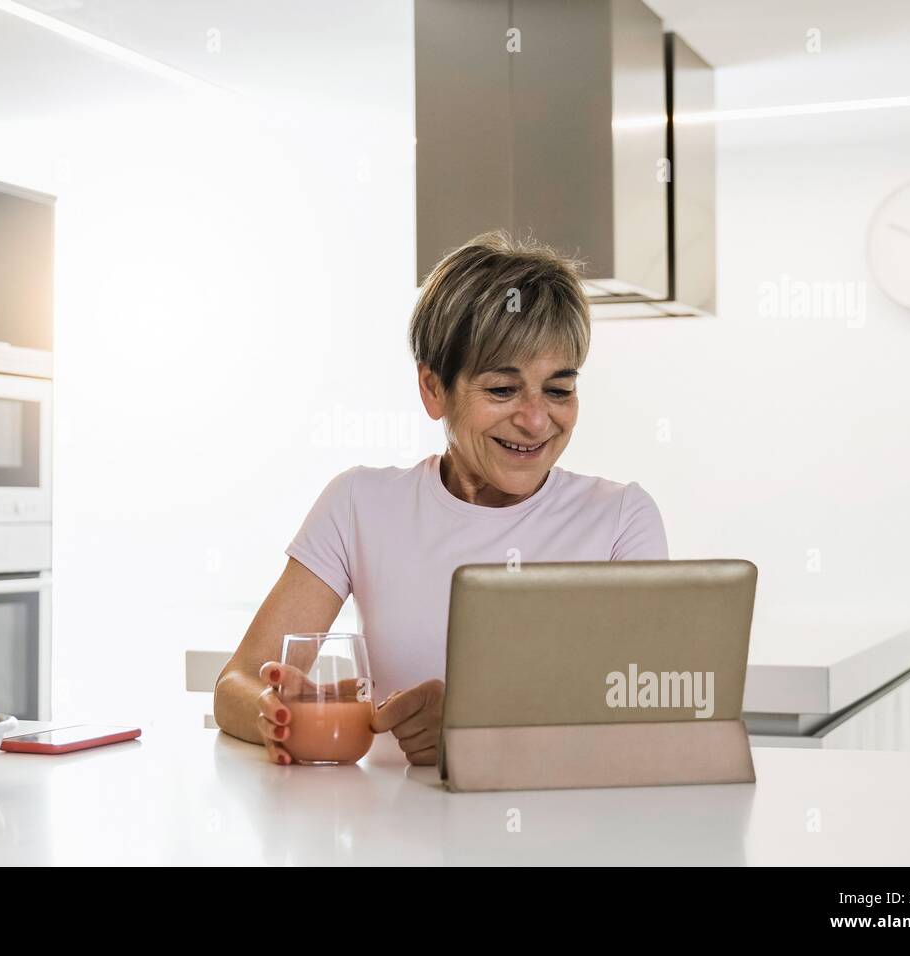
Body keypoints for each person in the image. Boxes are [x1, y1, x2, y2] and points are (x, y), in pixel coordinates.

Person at [214, 231, 668, 765]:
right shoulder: (359, 503)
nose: (535, 420)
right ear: (433, 389)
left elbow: (649, 713)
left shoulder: (620, 519)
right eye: (502, 390)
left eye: (558, 389)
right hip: (393, 817)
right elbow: (237, 683)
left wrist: (473, 728)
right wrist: (279, 713)